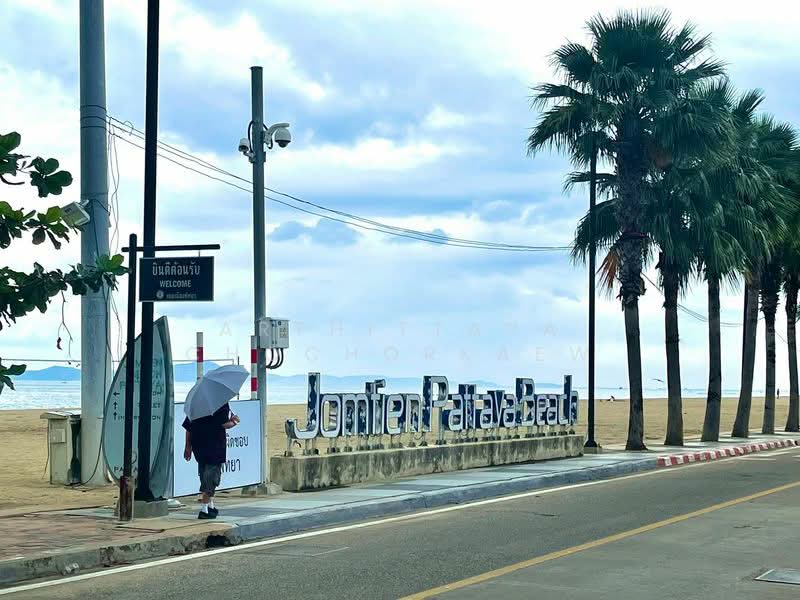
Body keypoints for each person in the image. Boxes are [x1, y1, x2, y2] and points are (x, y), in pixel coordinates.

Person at [183, 403, 240, 519]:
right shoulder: (221, 405)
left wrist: (188, 446)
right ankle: (204, 509)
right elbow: (225, 424)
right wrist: (235, 421)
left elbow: (188, 427)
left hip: (198, 445)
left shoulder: (195, 405)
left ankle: (210, 506)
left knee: (204, 473)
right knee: (211, 478)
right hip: (215, 446)